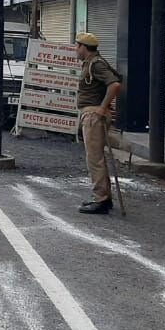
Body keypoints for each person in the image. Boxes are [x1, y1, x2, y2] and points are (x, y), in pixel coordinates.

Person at [74, 33, 122, 215]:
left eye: (77, 46)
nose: (76, 50)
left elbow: (115, 84)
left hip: (94, 115)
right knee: (95, 157)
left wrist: (102, 108)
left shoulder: (96, 64)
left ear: (84, 47)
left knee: (95, 159)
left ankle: (101, 199)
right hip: (91, 113)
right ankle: (103, 197)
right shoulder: (90, 63)